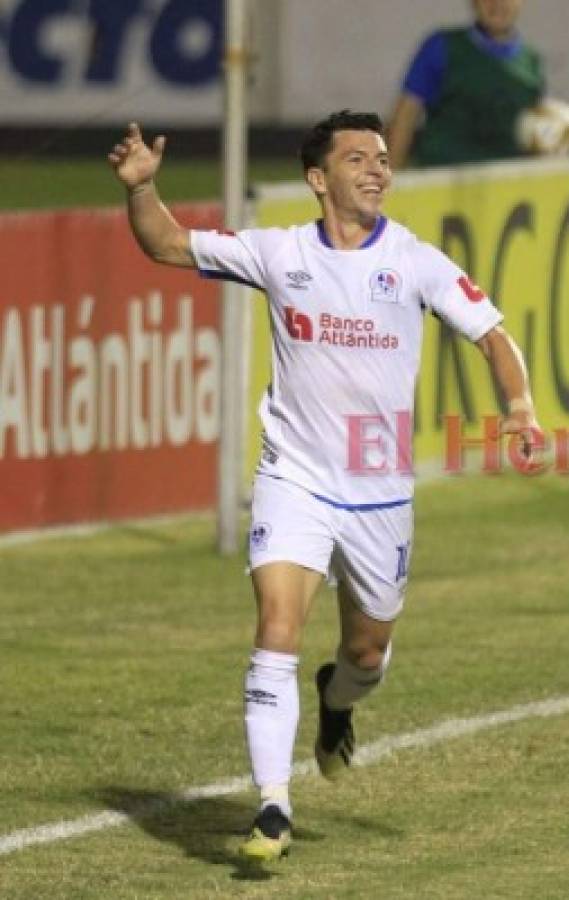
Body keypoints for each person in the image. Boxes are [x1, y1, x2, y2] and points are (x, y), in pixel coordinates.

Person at [107, 110, 540, 862]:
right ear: (318, 179)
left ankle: (335, 703)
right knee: (275, 627)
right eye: (357, 158)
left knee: (366, 655)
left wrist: (521, 409)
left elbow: (493, 336)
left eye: (381, 158)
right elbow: (168, 244)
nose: (377, 169)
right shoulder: (278, 253)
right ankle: (272, 807)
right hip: (295, 477)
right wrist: (143, 190)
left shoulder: (414, 261)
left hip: (379, 491)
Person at [385, 0, 547, 167]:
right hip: (442, 181)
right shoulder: (441, 46)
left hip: (508, 183)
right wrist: (390, 183)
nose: (497, 3)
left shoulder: (531, 62)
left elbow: (533, 135)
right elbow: (404, 119)